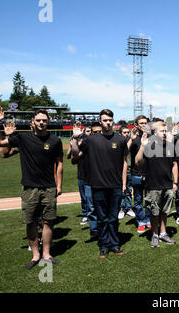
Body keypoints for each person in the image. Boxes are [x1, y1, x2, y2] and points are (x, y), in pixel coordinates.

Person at [0, 106, 63, 269]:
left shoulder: (55, 141)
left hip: (49, 188)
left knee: (49, 222)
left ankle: (46, 254)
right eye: (38, 120)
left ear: (48, 122)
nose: (41, 123)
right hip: (29, 188)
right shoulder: (22, 138)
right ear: (33, 122)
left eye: (44, 120)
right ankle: (35, 255)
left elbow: (59, 164)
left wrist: (59, 185)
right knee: (30, 222)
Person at [71, 109, 128, 259]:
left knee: (113, 217)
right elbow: (76, 155)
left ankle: (115, 244)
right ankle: (103, 245)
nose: (108, 123)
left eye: (110, 120)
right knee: (102, 218)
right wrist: (75, 139)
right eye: (105, 120)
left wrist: (123, 183)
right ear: (100, 121)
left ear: (113, 121)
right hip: (98, 185)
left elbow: (124, 163)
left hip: (115, 185)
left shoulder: (120, 140)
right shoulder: (91, 140)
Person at [135, 121, 178, 247]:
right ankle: (154, 234)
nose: (164, 134)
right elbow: (138, 162)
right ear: (154, 132)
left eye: (165, 131)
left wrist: (175, 182)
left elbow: (174, 165)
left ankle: (163, 233)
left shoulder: (170, 146)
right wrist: (142, 146)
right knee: (154, 212)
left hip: (167, 184)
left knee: (165, 211)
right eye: (161, 131)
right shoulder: (148, 145)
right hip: (153, 185)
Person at [128, 115, 152, 233]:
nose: (144, 125)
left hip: (149, 173)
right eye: (141, 123)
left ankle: (148, 220)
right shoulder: (134, 138)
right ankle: (141, 221)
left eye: (145, 123)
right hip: (136, 173)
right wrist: (131, 139)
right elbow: (123, 152)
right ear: (136, 125)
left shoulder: (151, 137)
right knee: (138, 199)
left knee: (149, 199)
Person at [67, 124, 92, 226]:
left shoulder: (90, 143)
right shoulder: (79, 142)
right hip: (82, 173)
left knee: (92, 198)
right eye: (87, 131)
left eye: (90, 131)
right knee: (84, 197)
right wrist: (73, 143)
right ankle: (85, 214)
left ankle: (91, 216)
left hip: (92, 174)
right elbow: (70, 157)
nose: (89, 133)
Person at [118, 125, 135, 220]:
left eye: (128, 132)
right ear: (120, 133)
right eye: (124, 132)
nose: (127, 134)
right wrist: (131, 140)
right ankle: (121, 208)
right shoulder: (119, 142)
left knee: (128, 190)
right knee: (121, 191)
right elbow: (124, 151)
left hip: (130, 170)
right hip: (120, 171)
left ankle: (128, 208)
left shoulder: (130, 141)